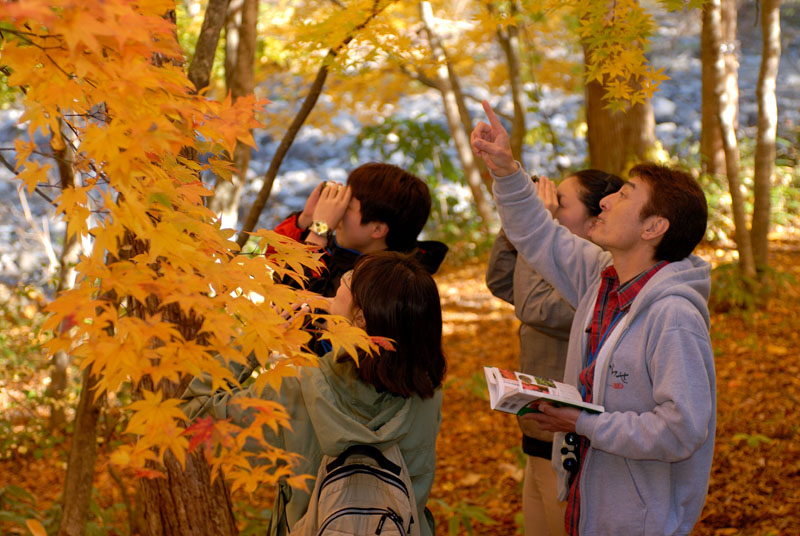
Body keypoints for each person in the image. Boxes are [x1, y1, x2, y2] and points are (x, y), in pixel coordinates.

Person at [471, 100, 715, 536]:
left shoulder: (674, 316)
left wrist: (582, 423)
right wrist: (506, 170)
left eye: (624, 196)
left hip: (641, 523)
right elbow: (538, 234)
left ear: (653, 227)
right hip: (587, 504)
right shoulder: (600, 279)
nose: (605, 201)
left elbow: (681, 430)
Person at [182, 251, 447, 536]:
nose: (343, 279)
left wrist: (257, 341)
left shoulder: (299, 388)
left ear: (360, 319)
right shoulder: (428, 395)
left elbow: (195, 410)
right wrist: (337, 318)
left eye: (349, 280)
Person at [486, 169, 623, 536]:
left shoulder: (599, 275)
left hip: (567, 438)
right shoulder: (567, 266)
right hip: (538, 427)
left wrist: (539, 225)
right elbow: (500, 280)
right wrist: (522, 219)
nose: (550, 205)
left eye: (560, 202)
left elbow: (532, 305)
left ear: (596, 217)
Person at [274, 162, 448, 298]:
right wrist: (305, 219)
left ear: (378, 229)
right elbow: (273, 266)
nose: (338, 213)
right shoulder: (346, 251)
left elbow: (296, 312)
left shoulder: (388, 285)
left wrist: (318, 232)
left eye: (347, 207)